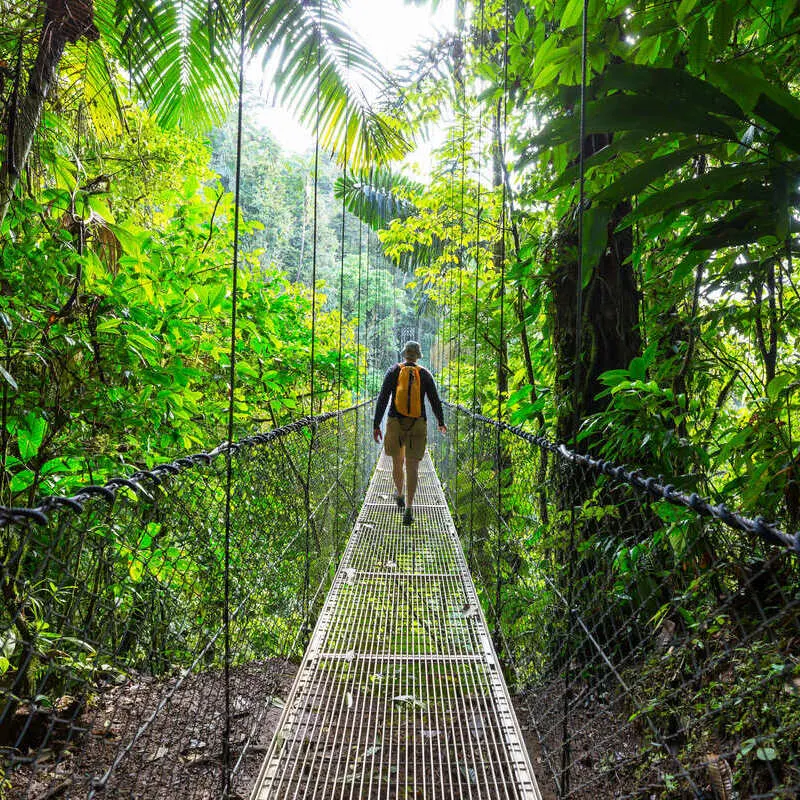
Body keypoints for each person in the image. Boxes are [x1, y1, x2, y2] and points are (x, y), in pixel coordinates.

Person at [373, 341, 446, 526]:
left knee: (398, 461)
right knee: (412, 466)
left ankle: (399, 494)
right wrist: (441, 422)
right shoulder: (425, 374)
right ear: (418, 355)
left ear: (405, 354)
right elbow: (435, 400)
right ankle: (409, 508)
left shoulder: (393, 371)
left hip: (395, 422)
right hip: (418, 423)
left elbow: (383, 398)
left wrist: (376, 424)